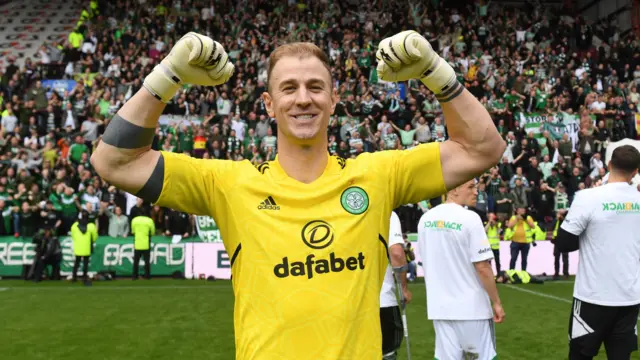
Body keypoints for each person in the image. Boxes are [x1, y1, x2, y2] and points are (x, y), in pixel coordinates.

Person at [91, 30, 505, 358]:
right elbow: (115, 162)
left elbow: (483, 148)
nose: (303, 98)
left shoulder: (378, 174)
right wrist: (167, 75)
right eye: (289, 89)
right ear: (269, 105)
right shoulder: (229, 183)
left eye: (315, 87)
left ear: (334, 99)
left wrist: (435, 71)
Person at [556, 145, 640, 360]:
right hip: (628, 298)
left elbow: (563, 243)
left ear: (609, 165)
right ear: (636, 171)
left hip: (592, 297)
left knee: (580, 356)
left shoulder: (588, 197)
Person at [417, 179, 506, 360]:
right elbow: (482, 266)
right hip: (471, 309)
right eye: (471, 187)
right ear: (455, 188)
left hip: (440, 307)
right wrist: (496, 301)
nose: (476, 192)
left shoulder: (425, 219)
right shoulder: (470, 218)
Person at [380, 211, 412, 360]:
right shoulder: (385, 211)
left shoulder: (333, 208)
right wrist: (403, 289)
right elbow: (397, 254)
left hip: (342, 301)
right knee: (387, 353)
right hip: (381, 300)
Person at [70, 210, 98, 283]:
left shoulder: (74, 225)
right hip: (87, 247)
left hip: (78, 246)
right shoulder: (91, 226)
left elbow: (73, 236)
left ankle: (74, 277)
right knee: (85, 263)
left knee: (77, 262)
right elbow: (95, 237)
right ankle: (84, 277)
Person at [131, 210, 155, 280]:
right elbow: (152, 231)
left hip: (137, 243)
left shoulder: (134, 220)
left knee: (136, 261)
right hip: (146, 243)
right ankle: (147, 276)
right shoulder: (149, 220)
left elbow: (133, 231)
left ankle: (134, 276)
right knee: (147, 261)